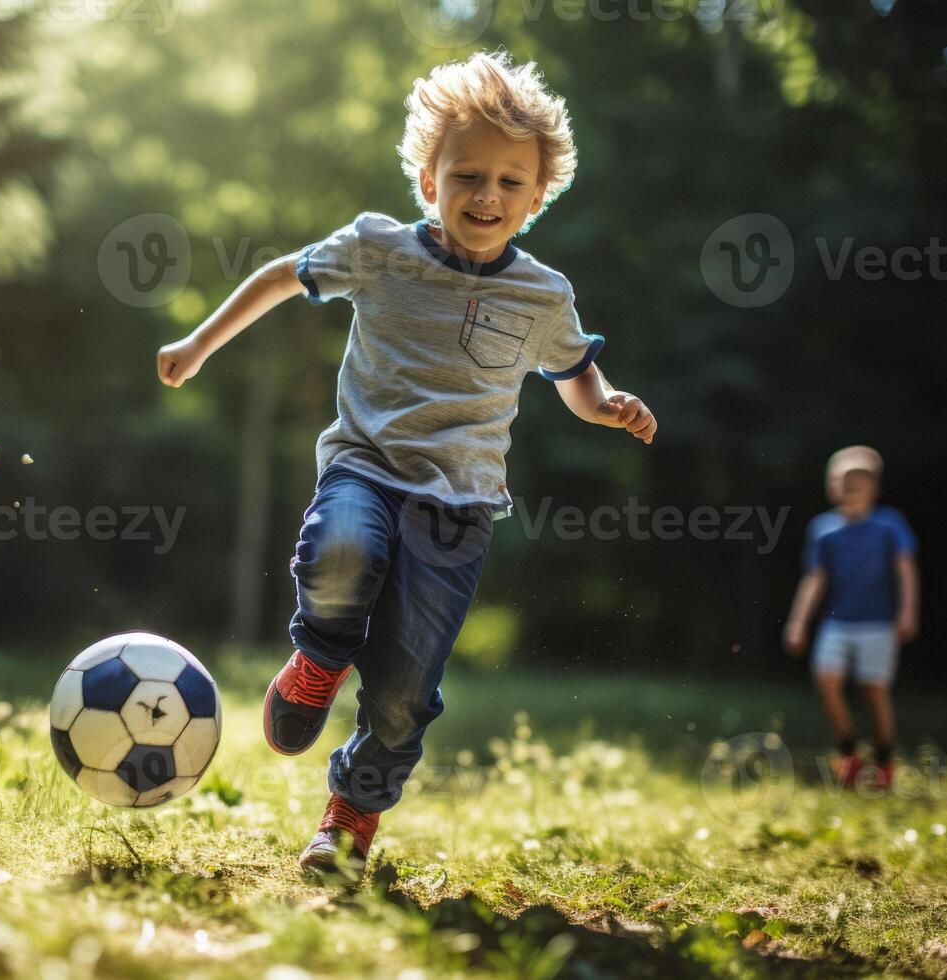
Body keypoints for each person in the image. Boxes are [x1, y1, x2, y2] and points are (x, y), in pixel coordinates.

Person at [155, 52, 656, 876]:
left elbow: (573, 374)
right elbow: (284, 275)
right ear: (429, 179)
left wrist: (605, 405)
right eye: (466, 175)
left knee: (401, 693)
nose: (485, 196)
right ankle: (317, 659)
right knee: (341, 550)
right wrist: (198, 343)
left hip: (458, 508)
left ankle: (348, 818)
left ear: (536, 198)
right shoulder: (376, 249)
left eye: (507, 182)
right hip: (365, 467)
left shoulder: (542, 296)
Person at [782, 445, 919, 790]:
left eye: (856, 481)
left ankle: (884, 760)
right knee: (826, 677)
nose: (847, 488)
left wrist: (907, 611)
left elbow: (905, 570)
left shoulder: (889, 525)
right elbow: (816, 578)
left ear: (874, 487)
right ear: (831, 485)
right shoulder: (824, 530)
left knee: (874, 689)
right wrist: (798, 621)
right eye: (840, 481)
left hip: (878, 623)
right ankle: (849, 752)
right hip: (837, 622)